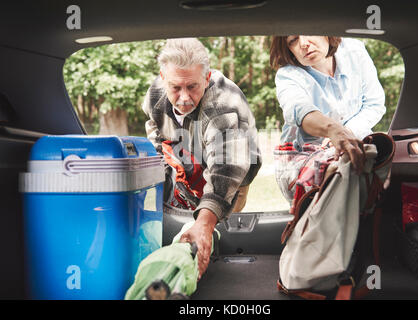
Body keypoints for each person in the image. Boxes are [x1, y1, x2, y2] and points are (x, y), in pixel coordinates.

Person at [142, 38, 261, 279]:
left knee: (220, 209)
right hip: (183, 144)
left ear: (206, 79)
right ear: (163, 79)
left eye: (192, 87)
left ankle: (210, 237)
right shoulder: (154, 96)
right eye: (176, 87)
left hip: (235, 159)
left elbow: (227, 168)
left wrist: (205, 224)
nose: (184, 98)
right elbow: (155, 135)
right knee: (179, 203)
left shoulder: (223, 103)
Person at [270, 35, 386, 174]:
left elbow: (374, 104)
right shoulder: (288, 75)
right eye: (293, 40)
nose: (303, 43)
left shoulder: (354, 50)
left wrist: (347, 132)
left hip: (358, 151)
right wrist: (332, 130)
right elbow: (299, 110)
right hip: (307, 164)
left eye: (308, 32)